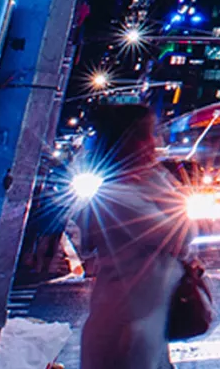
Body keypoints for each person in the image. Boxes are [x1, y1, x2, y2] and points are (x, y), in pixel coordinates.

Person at [75, 105, 192, 369]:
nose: (154, 143)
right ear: (125, 142)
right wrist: (157, 180)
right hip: (124, 329)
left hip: (144, 322)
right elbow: (180, 236)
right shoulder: (118, 197)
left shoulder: (134, 187)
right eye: (146, 135)